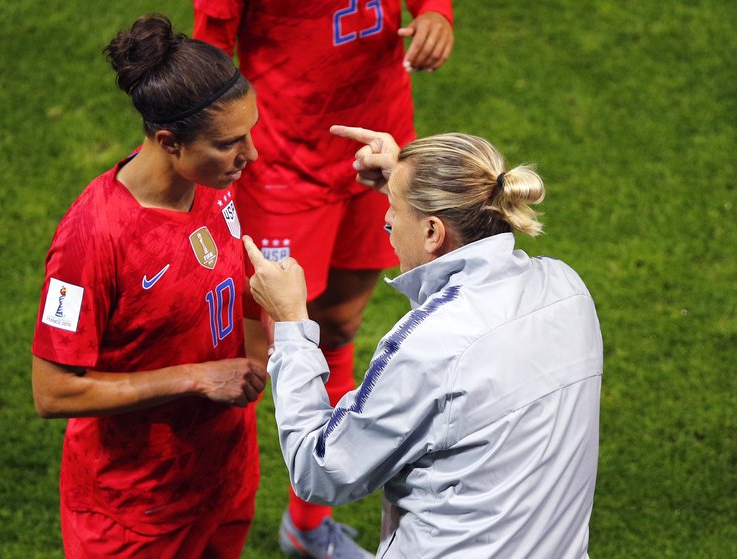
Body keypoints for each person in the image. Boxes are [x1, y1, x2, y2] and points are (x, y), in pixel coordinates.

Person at [243, 125, 604, 558]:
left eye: (394, 209)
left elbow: (320, 471)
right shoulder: (568, 288)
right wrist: (409, 181)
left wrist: (291, 324)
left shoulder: (431, 345)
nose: (387, 220)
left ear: (433, 233)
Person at [192, 2, 454, 556]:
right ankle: (200, 528)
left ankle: (306, 525)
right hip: (281, 165)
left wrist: (436, 13)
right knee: (248, 363)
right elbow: (208, 59)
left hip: (376, 147)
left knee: (338, 327)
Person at [30, 14, 267, 558]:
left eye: (249, 132)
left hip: (223, 472)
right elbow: (52, 390)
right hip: (135, 511)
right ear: (169, 141)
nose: (250, 155)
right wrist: (196, 377)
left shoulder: (211, 181)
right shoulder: (92, 237)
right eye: (231, 142)